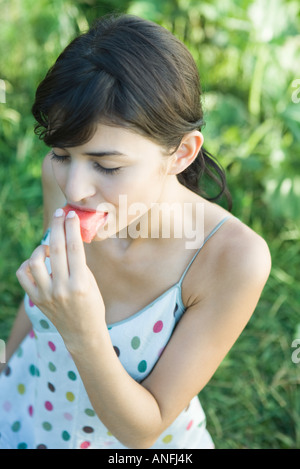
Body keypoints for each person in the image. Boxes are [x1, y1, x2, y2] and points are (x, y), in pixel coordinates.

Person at [0, 14, 271, 449]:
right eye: (62, 153)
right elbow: (42, 289)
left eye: (107, 166)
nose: (74, 187)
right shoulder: (63, 181)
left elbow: (144, 431)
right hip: (31, 411)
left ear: (181, 152)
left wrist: (83, 331)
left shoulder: (232, 258)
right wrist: (6, 365)